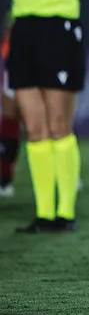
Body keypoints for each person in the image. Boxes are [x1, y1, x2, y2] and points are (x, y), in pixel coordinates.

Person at [0, 0, 88, 232]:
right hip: (23, 33)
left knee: (58, 126)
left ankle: (65, 214)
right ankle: (44, 213)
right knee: (34, 129)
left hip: (59, 33)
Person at [0, 15, 21, 197]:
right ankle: (4, 177)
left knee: (50, 123)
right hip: (15, 64)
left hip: (46, 58)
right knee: (10, 117)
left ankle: (65, 174)